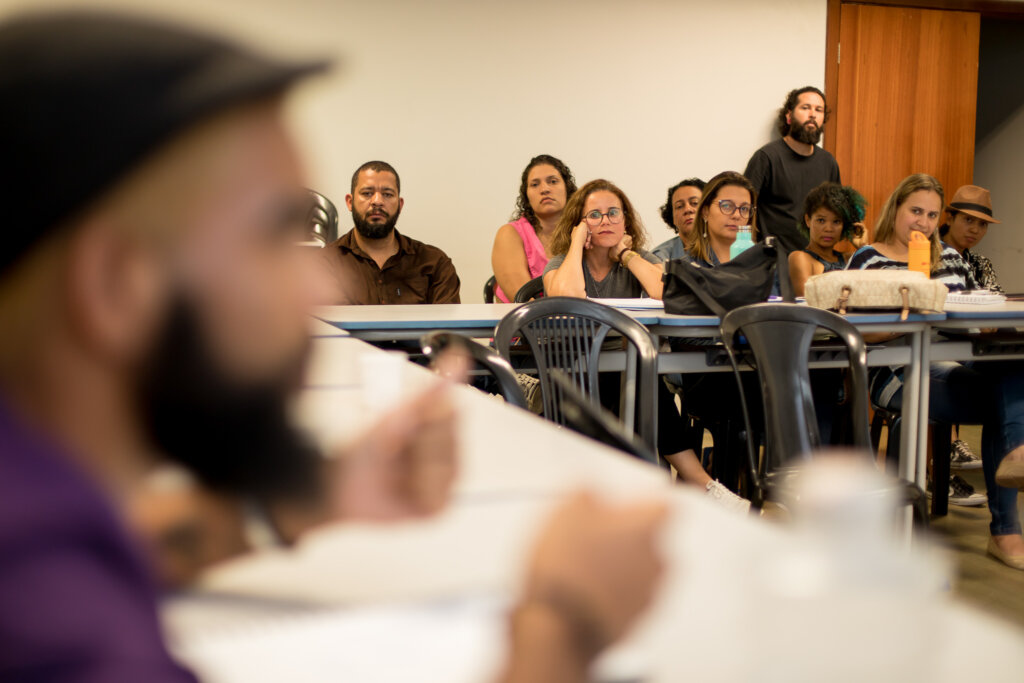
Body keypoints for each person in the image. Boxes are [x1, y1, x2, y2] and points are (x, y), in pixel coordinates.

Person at [0, 12, 668, 682]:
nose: (318, 279)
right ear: (116, 283)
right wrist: (561, 625)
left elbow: (110, 547)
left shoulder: (37, 521)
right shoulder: (55, 628)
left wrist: (307, 496)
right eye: (270, 234)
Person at [847, 174, 1024, 568]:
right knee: (1006, 402)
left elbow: (975, 321)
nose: (923, 223)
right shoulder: (868, 259)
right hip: (897, 369)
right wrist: (914, 309)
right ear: (896, 209)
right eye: (915, 211)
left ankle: (1014, 479)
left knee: (1015, 364)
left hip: (957, 363)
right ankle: (1007, 527)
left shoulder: (952, 258)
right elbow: (858, 332)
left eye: (931, 215)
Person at [543, 179, 749, 511]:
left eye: (613, 213)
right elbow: (567, 294)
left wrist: (624, 253)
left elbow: (662, 289)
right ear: (579, 223)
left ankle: (690, 489)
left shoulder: (636, 257)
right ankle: (702, 486)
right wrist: (577, 241)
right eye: (594, 215)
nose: (606, 220)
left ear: (626, 221)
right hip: (572, 374)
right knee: (639, 379)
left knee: (639, 377)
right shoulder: (562, 262)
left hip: (628, 370)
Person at [319, 160, 461, 304]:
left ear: (400, 205)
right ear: (350, 202)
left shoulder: (435, 264)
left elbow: (447, 326)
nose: (377, 201)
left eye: (387, 194)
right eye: (367, 193)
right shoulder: (323, 264)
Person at [744, 86, 841, 254]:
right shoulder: (766, 158)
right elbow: (744, 212)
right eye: (805, 108)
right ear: (789, 116)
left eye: (819, 110)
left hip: (816, 262)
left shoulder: (828, 162)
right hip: (774, 263)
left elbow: (836, 213)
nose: (812, 114)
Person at [491, 154, 577, 302]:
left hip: (578, 320)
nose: (544, 189)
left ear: (567, 188)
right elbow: (523, 299)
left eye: (553, 181)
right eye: (535, 184)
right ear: (527, 196)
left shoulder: (582, 231)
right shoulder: (509, 234)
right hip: (527, 321)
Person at [788, 182, 866, 296]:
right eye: (821, 220)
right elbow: (807, 304)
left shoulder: (849, 258)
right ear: (808, 220)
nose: (828, 229)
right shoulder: (800, 258)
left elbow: (872, 292)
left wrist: (863, 247)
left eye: (836, 221)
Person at [939, 184, 1003, 293]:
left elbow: (997, 302)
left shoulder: (981, 264)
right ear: (949, 219)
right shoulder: (928, 254)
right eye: (968, 220)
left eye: (982, 224)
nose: (975, 230)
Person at [686, 171, 759, 266]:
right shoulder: (686, 267)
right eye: (727, 206)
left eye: (744, 208)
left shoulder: (763, 265)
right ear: (705, 212)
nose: (737, 215)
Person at [652, 178, 706, 261]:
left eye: (695, 203)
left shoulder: (728, 248)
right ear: (672, 217)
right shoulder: (660, 257)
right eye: (679, 206)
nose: (687, 209)